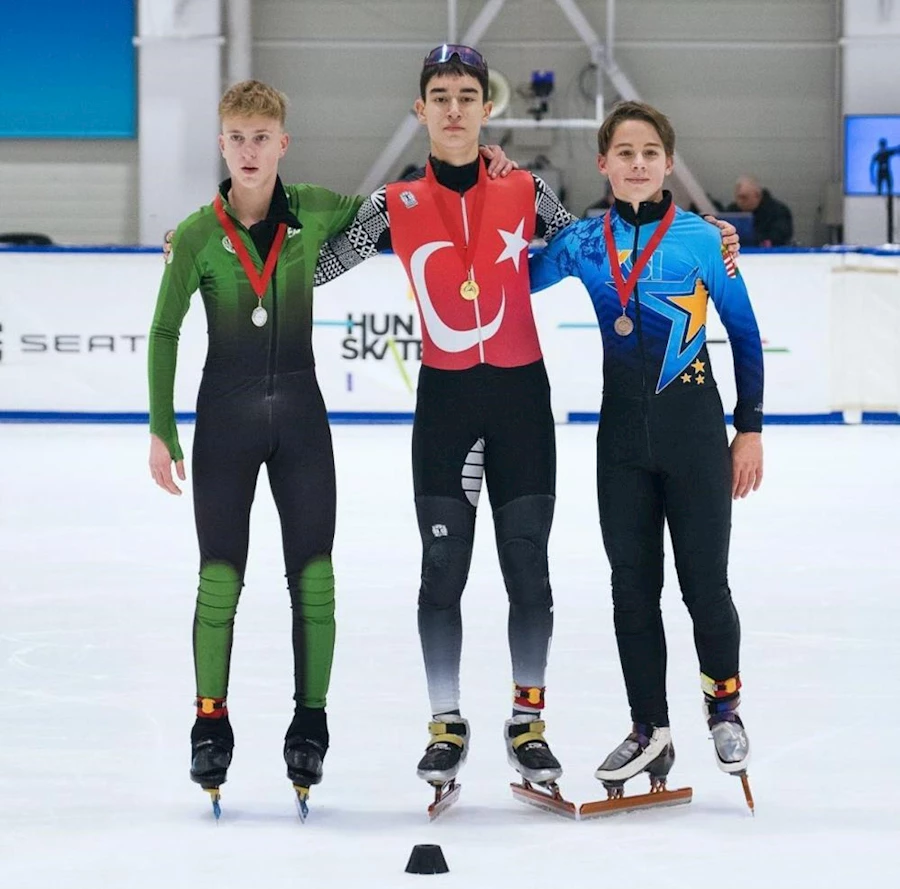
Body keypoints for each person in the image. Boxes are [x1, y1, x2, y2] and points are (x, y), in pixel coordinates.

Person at [312, 49, 742, 799]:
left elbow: (605, 244)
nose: (453, 109)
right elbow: (312, 267)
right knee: (441, 571)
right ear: (420, 109)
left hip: (520, 405)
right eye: (439, 96)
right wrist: (220, 237)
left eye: (466, 96)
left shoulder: (528, 190)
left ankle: (527, 723)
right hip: (445, 407)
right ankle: (445, 725)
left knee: (528, 573)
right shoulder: (391, 204)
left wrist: (703, 233)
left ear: (487, 109)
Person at [148, 79, 513, 810]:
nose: (249, 152)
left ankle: (309, 722)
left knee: (314, 579)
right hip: (224, 422)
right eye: (237, 139)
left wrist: (484, 165)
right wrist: (162, 428)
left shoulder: (315, 208)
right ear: (221, 144)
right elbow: (164, 331)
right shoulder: (194, 235)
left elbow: (403, 204)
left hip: (302, 422)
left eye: (262, 138)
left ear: (283, 144)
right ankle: (209, 723)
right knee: (219, 578)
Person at [528, 100, 763, 803]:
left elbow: (745, 335)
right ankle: (649, 727)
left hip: (696, 438)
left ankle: (723, 707)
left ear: (668, 163)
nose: (637, 164)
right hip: (622, 444)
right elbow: (514, 277)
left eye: (650, 153)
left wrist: (749, 428)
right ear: (603, 163)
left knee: (705, 584)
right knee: (631, 589)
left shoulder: (702, 240)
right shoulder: (582, 242)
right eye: (625, 153)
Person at [727, 174, 793, 247]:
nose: (739, 202)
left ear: (757, 196)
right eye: (737, 197)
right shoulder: (731, 211)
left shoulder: (778, 212)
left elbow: (781, 236)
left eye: (744, 197)